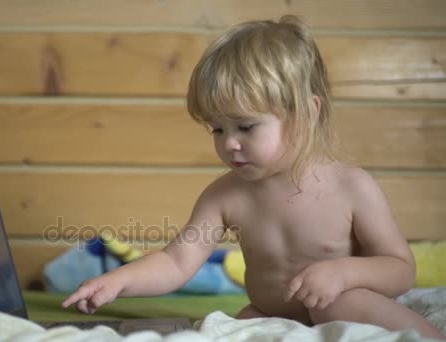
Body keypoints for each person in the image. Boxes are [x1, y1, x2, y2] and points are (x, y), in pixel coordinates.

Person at [62, 15, 444, 339]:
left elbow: (401, 270)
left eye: (246, 127)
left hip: (349, 309)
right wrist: (117, 282)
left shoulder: (351, 187)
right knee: (218, 333)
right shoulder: (225, 196)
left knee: (342, 304)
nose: (230, 144)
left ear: (307, 114)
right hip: (271, 314)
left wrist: (343, 273)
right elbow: (177, 263)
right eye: (217, 129)